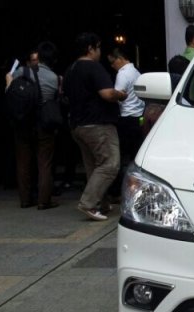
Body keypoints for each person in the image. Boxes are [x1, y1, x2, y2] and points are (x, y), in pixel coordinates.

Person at [62, 32, 127, 221]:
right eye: (98, 47)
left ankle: (101, 203)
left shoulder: (71, 69)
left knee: (94, 166)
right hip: (98, 124)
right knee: (110, 164)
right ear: (91, 49)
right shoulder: (93, 67)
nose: (100, 51)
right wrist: (121, 95)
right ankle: (89, 203)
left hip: (77, 125)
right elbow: (107, 94)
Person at [5, 43, 61, 209]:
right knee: (45, 162)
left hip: (23, 122)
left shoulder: (21, 72)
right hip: (44, 123)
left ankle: (25, 199)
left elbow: (10, 93)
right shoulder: (54, 77)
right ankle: (44, 200)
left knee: (23, 162)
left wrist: (8, 80)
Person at [107, 47, 145, 198]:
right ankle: (136, 189)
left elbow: (117, 95)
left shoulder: (122, 74)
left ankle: (118, 191)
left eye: (112, 62)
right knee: (135, 157)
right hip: (137, 118)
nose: (112, 66)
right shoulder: (137, 73)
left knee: (120, 158)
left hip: (126, 118)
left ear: (119, 59)